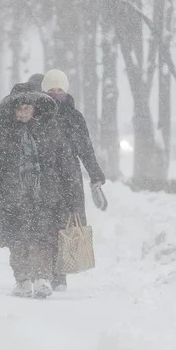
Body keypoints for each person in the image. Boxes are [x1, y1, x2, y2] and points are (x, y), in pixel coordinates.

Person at [0, 87, 83, 299]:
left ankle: (42, 278)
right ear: (13, 110)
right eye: (20, 108)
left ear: (35, 109)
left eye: (28, 108)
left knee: (43, 239)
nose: (24, 112)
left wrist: (73, 198)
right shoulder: (0, 132)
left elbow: (66, 165)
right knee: (17, 241)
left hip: (45, 197)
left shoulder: (50, 130)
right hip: (11, 197)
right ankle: (23, 279)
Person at [40, 69, 107, 291]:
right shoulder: (37, 114)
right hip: (43, 176)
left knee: (65, 225)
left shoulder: (74, 116)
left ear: (66, 90)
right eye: (51, 90)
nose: (55, 94)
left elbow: (85, 149)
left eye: (59, 89)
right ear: (44, 91)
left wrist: (95, 174)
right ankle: (45, 269)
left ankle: (60, 273)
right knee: (44, 225)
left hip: (68, 178)